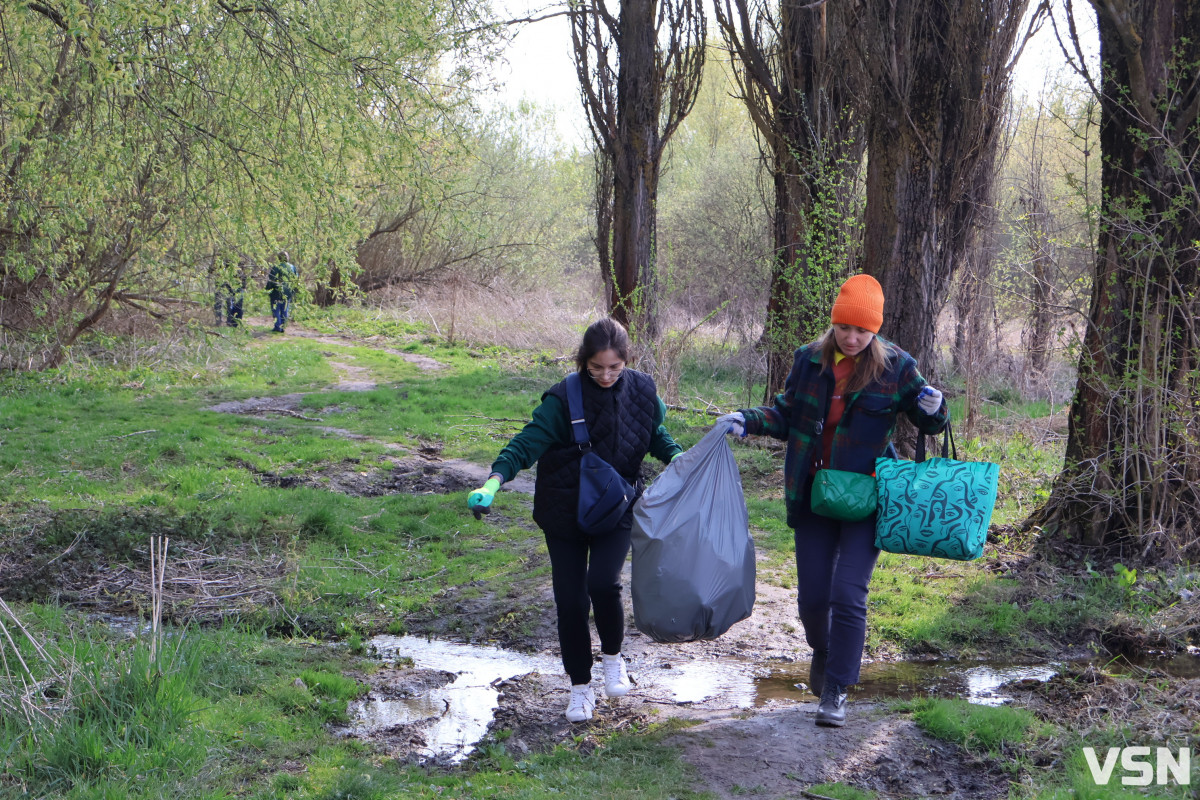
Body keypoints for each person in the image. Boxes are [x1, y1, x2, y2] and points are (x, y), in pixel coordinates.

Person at [716, 274, 948, 728]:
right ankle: (822, 652)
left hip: (868, 497)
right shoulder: (808, 360)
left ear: (875, 330)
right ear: (835, 323)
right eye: (846, 327)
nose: (853, 337)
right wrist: (746, 420)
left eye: (863, 330)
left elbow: (931, 422)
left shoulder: (897, 366)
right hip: (816, 495)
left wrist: (935, 408)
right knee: (813, 598)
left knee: (849, 593)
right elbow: (785, 413)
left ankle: (838, 689)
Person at [466, 318, 683, 723]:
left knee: (603, 582)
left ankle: (614, 660)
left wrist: (679, 458)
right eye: (596, 367)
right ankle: (580, 688)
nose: (605, 375)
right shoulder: (562, 399)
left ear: (626, 361)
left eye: (614, 368)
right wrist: (494, 482)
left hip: (617, 505)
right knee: (570, 601)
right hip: (563, 510)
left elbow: (655, 434)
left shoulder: (642, 391)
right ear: (584, 361)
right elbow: (525, 444)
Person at [265, 250, 298, 333]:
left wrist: (268, 288)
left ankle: (277, 326)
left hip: (277, 291)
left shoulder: (276, 267)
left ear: (279, 258)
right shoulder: (292, 267)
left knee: (276, 308)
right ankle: (283, 326)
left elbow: (271, 279)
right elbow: (295, 279)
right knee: (285, 309)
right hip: (288, 291)